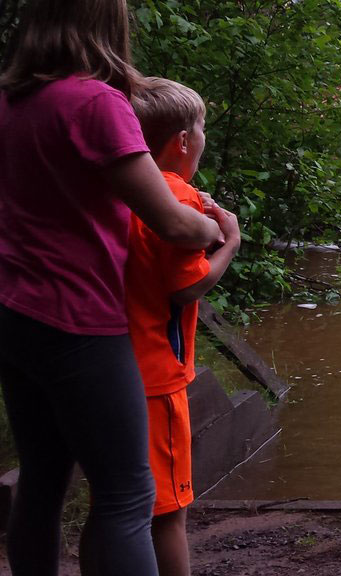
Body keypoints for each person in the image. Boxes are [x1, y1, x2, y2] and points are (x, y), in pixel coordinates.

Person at [0, 0, 222, 576]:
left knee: (42, 481)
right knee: (127, 494)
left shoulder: (10, 101)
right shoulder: (95, 104)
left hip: (14, 313)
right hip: (79, 322)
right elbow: (172, 222)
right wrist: (216, 227)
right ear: (107, 15)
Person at [124, 77, 240, 576]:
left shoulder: (121, 189)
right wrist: (230, 241)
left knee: (121, 503)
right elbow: (186, 287)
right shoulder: (181, 202)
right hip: (157, 373)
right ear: (184, 141)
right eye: (204, 130)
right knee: (168, 511)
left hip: (112, 360)